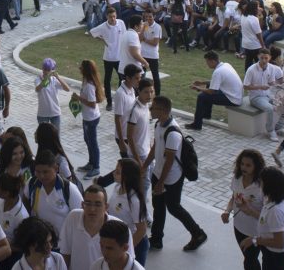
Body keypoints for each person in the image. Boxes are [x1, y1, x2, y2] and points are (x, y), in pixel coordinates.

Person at [146, 96, 207, 251]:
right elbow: (155, 148)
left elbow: (170, 161)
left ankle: (198, 233)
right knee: (158, 207)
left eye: (153, 107)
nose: (150, 110)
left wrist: (160, 184)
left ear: (163, 111)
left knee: (174, 207)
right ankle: (156, 239)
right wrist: (144, 166)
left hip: (171, 178)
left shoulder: (173, 133)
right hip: (158, 173)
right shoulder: (159, 124)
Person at [59, 185, 134, 270]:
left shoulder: (120, 228)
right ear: (82, 205)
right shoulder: (73, 218)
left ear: (106, 207)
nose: (92, 209)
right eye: (88, 203)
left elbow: (126, 261)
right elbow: (65, 253)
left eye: (98, 204)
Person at [238, 168, 284, 270]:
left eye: (261, 182)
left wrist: (254, 240)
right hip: (270, 252)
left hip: (276, 257)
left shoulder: (275, 211)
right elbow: (266, 220)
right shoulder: (275, 198)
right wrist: (249, 210)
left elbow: (279, 243)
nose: (259, 185)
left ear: (268, 186)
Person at [222, 150, 264, 270]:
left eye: (248, 165)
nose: (243, 168)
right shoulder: (237, 179)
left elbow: (266, 217)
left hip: (254, 231)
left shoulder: (261, 186)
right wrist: (227, 211)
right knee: (248, 258)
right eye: (242, 164)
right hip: (238, 227)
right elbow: (233, 198)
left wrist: (249, 210)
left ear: (256, 167)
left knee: (250, 260)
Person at [106, 159, 149, 266]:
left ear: (127, 176)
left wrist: (126, 250)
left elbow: (141, 230)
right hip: (119, 241)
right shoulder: (117, 187)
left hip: (135, 244)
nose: (114, 173)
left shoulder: (134, 201)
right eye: (115, 170)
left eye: (118, 172)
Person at [187, 51, 244, 130]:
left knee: (201, 97)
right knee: (208, 87)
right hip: (236, 95)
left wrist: (198, 88)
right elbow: (215, 83)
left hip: (233, 99)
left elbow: (211, 91)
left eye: (207, 62)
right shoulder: (225, 65)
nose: (207, 64)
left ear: (213, 61)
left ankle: (197, 125)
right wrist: (202, 82)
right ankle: (206, 114)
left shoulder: (218, 72)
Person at [243, 49, 284, 142]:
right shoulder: (251, 69)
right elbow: (245, 86)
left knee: (282, 104)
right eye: (262, 58)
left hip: (268, 95)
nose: (264, 60)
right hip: (256, 97)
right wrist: (260, 87)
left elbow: (271, 81)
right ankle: (270, 130)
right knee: (270, 108)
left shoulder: (271, 68)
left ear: (270, 58)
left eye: (266, 58)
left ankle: (278, 126)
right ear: (258, 57)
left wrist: (274, 83)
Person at [90, 7, 126, 111]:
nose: (113, 19)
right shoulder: (103, 27)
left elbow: (124, 36)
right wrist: (102, 39)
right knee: (107, 80)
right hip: (108, 58)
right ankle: (109, 102)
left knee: (122, 78)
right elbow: (92, 32)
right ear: (107, 17)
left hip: (120, 57)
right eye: (111, 17)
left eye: (114, 16)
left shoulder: (121, 23)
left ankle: (120, 99)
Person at [0, 175, 29, 270]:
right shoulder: (3, 202)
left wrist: (2, 245)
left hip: (11, 259)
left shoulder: (21, 216)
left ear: (6, 193)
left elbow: (22, 247)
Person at [75, 60, 103, 179]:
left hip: (91, 119)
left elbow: (92, 104)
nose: (79, 68)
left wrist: (79, 98)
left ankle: (96, 167)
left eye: (81, 67)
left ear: (85, 70)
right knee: (88, 140)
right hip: (87, 117)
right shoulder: (86, 81)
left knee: (92, 143)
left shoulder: (89, 86)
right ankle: (91, 163)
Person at [35, 58, 71, 132]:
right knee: (43, 138)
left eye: (48, 70)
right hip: (42, 114)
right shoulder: (38, 79)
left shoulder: (54, 80)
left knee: (56, 138)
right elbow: (37, 89)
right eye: (44, 69)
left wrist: (58, 77)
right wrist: (46, 79)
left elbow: (67, 89)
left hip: (55, 113)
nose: (46, 71)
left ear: (52, 70)